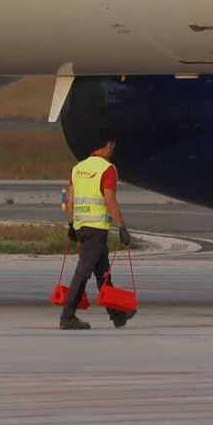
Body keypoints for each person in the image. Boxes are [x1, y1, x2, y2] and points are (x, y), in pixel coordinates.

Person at [59, 131, 134, 331]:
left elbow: (69, 201)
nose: (113, 150)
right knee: (83, 272)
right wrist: (122, 227)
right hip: (96, 229)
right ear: (107, 146)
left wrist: (71, 225)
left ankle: (117, 315)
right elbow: (110, 201)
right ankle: (67, 316)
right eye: (112, 146)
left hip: (81, 227)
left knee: (103, 273)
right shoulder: (108, 169)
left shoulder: (78, 168)